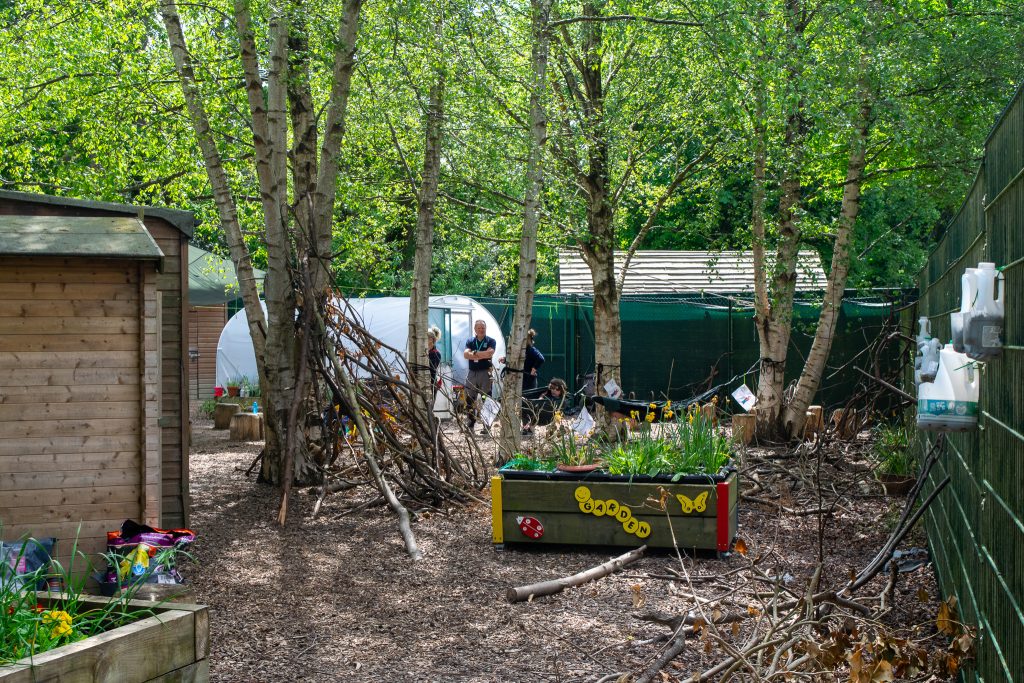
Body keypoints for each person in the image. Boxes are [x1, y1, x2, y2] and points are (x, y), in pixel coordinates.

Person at [463, 319, 497, 431]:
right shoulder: (470, 341)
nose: (481, 330)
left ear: (486, 329)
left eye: (483, 328)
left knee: (485, 398)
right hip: (472, 373)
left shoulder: (491, 341)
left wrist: (475, 353)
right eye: (479, 328)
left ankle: (487, 425)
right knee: (470, 398)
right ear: (475, 329)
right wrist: (482, 354)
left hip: (485, 373)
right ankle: (471, 423)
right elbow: (466, 355)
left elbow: (489, 354)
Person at [426, 326, 442, 396]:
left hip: (431, 384)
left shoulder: (436, 354)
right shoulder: (424, 352)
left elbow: (431, 369)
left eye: (426, 338)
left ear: (431, 340)